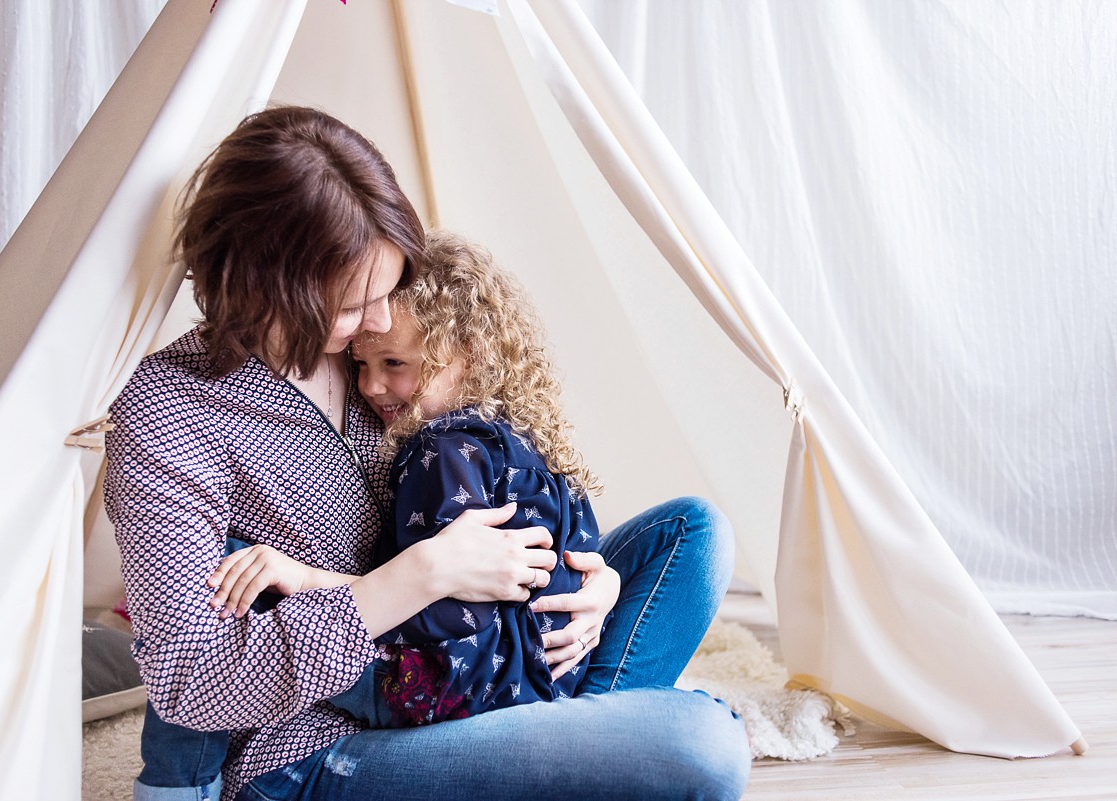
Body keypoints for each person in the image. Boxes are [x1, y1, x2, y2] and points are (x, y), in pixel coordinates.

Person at [104, 105, 750, 801]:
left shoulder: (374, 354)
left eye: (387, 293)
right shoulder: (170, 412)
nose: (378, 324)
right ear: (270, 287)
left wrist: (588, 587)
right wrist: (423, 572)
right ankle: (575, 744)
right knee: (703, 744)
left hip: (469, 652)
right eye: (355, 306)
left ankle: (559, 733)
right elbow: (190, 682)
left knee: (692, 533)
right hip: (324, 742)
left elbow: (486, 501)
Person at [218, 229, 605, 728]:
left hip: (463, 695)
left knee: (231, 567)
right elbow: (577, 556)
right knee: (689, 526)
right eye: (360, 364)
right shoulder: (529, 440)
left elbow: (439, 612)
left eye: (394, 363)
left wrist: (303, 580)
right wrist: (604, 582)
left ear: (473, 351)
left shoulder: (442, 451)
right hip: (553, 680)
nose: (370, 386)